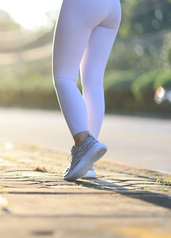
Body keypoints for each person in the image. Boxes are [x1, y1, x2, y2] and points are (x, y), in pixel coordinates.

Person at [52, 0, 121, 180]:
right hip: (113, 7)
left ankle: (83, 144)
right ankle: (87, 163)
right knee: (94, 81)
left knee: (64, 76)